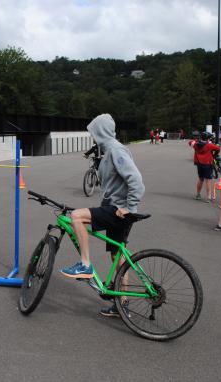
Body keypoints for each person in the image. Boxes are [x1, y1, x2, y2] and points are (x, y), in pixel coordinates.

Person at [60, 114, 145, 317]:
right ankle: (122, 305)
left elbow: (136, 181)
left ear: (100, 132)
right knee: (118, 255)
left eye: (93, 132)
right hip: (114, 206)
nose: (92, 136)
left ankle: (85, 265)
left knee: (77, 217)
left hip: (119, 209)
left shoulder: (116, 150)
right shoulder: (108, 152)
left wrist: (130, 207)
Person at [192, 132, 221, 202]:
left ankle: (198, 194)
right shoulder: (209, 145)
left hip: (199, 163)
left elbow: (191, 143)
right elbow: (218, 149)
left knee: (200, 179)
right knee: (208, 180)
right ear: (208, 139)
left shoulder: (196, 144)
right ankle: (208, 197)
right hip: (207, 164)